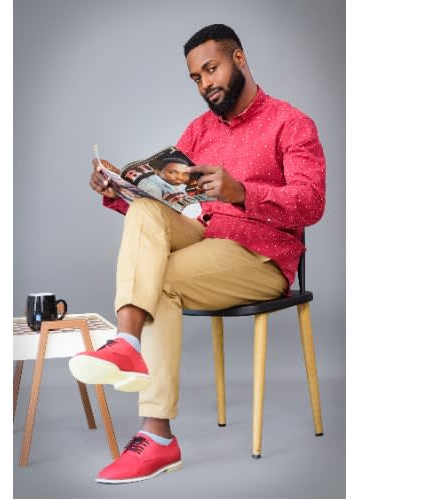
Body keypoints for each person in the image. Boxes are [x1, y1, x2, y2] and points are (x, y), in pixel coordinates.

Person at [69, 24, 326, 484]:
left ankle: (157, 436)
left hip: (259, 255)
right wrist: (118, 190)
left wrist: (241, 192)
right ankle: (128, 345)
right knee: (144, 211)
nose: (206, 83)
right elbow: (169, 201)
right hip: (202, 236)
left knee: (160, 281)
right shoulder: (199, 130)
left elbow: (312, 203)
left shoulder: (291, 123)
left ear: (239, 59)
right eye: (196, 77)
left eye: (212, 69)